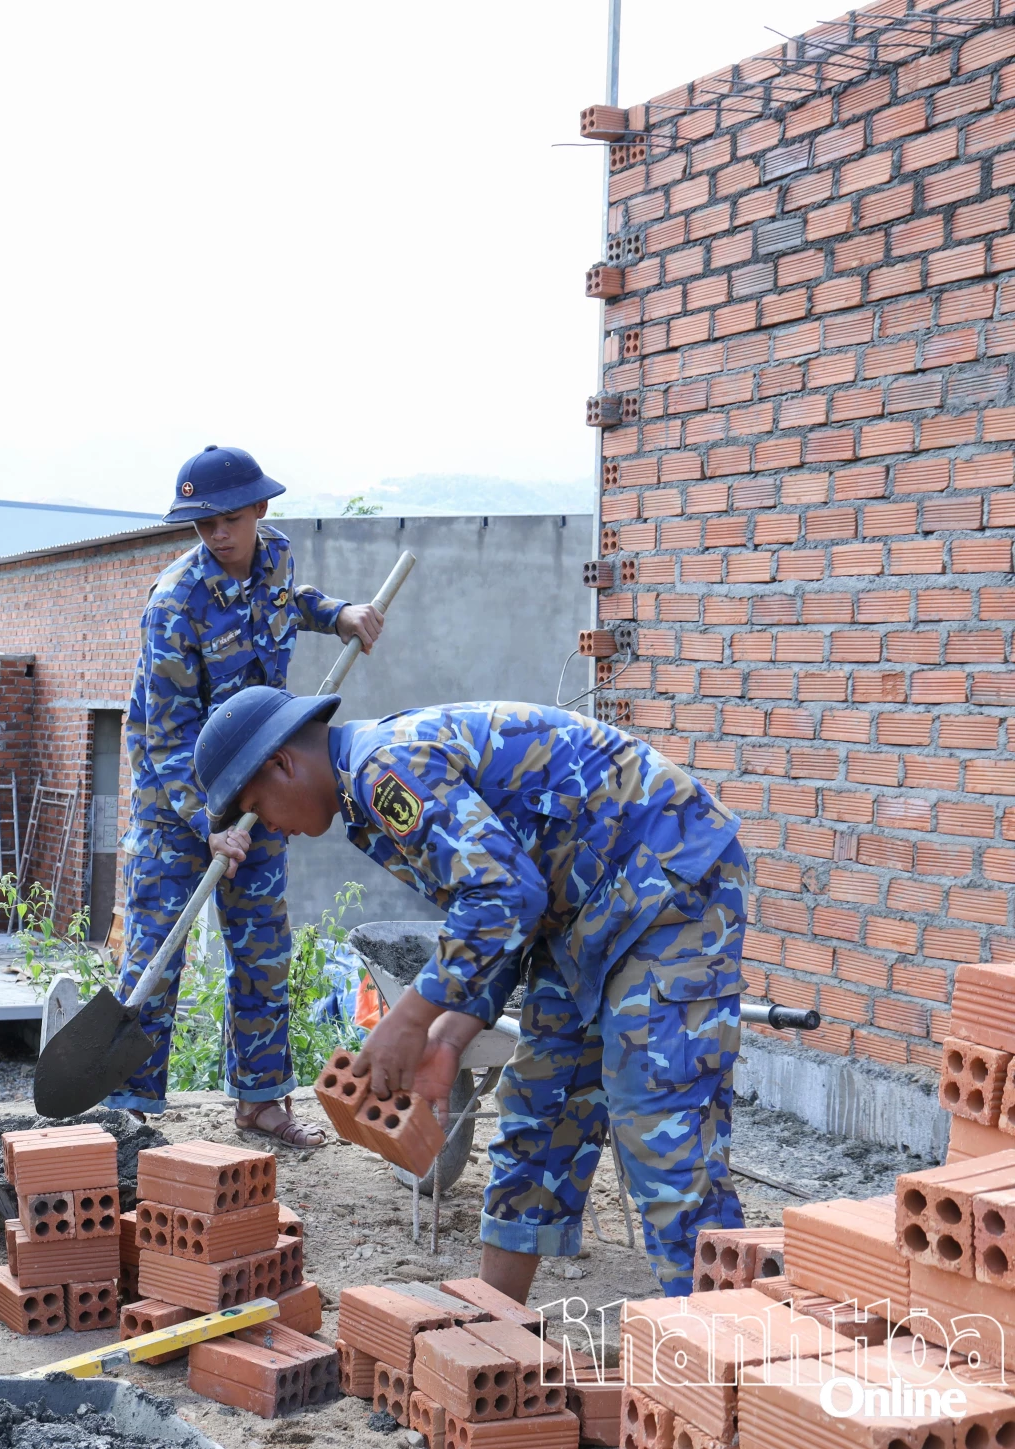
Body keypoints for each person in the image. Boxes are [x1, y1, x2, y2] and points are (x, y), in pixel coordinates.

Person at [193, 686, 748, 1297]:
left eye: (254, 807)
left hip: (666, 885)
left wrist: (409, 1016)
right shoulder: (365, 791)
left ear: (282, 764)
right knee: (538, 1115)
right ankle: (489, 1338)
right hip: (582, 918)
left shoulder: (384, 771)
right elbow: (508, 915)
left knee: (662, 1135)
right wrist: (450, 1037)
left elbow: (504, 897)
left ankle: (726, 1368)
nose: (269, 828)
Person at [109, 444, 383, 1145]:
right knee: (157, 953)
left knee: (263, 948)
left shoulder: (277, 558)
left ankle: (261, 1102)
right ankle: (131, 1109)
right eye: (202, 526)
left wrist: (340, 614)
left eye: (227, 520)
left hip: (259, 786)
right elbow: (165, 738)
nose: (216, 535)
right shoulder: (175, 604)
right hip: (177, 809)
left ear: (260, 510)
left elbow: (290, 604)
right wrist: (207, 822)